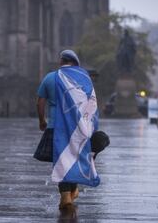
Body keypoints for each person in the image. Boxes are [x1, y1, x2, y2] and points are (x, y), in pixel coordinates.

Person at [37, 50, 100, 209]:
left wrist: (42, 120)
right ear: (75, 64)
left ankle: (66, 195)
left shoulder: (51, 77)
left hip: (55, 127)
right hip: (78, 128)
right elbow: (91, 105)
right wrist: (91, 126)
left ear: (61, 62)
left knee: (62, 160)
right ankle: (72, 190)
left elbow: (40, 102)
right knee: (74, 158)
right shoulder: (84, 79)